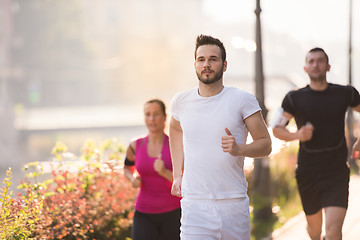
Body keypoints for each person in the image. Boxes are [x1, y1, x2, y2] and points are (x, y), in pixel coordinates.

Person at [169, 34, 272, 240]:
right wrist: (177, 174)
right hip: (194, 205)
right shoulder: (180, 102)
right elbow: (175, 130)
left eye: (213, 59)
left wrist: (239, 149)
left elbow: (266, 145)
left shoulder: (242, 100)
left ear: (224, 65)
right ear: (195, 65)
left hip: (232, 205)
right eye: (201, 59)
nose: (206, 64)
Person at [272, 47, 360, 240]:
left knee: (333, 231)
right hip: (308, 172)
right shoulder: (293, 98)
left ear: (328, 66)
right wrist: (297, 135)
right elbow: (276, 129)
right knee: (314, 231)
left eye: (320, 60)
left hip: (336, 171)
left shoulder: (345, 93)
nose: (315, 64)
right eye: (311, 61)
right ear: (305, 68)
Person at [123, 99, 181, 240]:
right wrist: (132, 178)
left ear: (165, 117)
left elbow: (187, 181)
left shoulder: (176, 146)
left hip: (173, 212)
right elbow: (127, 167)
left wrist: (164, 173)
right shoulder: (135, 146)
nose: (151, 119)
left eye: (156, 114)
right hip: (144, 213)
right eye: (148, 114)